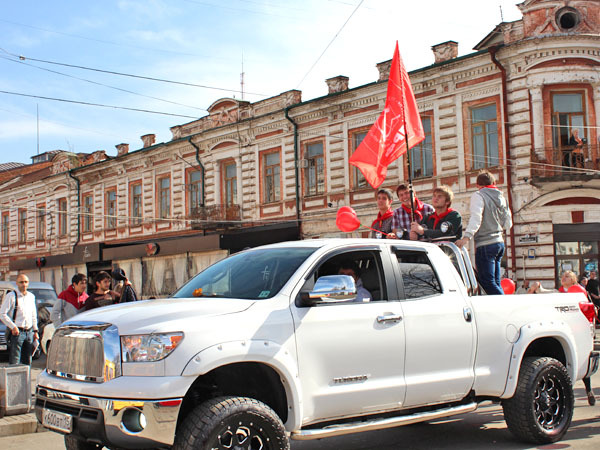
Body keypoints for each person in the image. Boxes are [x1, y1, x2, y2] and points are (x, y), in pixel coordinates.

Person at [456, 171, 512, 295]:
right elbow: (508, 224)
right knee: (495, 282)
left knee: (487, 282)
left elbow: (476, 218)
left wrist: (466, 237)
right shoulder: (501, 197)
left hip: (486, 244)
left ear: (477, 185)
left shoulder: (479, 195)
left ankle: (505, 304)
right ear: (494, 183)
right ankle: (501, 305)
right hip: (499, 243)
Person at [0, 274, 38, 365]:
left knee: (28, 360)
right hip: (17, 333)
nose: (24, 284)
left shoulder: (31, 296)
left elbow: (33, 315)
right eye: (21, 282)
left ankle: (26, 375)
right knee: (15, 361)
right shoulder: (11, 296)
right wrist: (13, 327)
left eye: (26, 282)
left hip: (29, 332)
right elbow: (2, 314)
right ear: (17, 283)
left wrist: (35, 331)